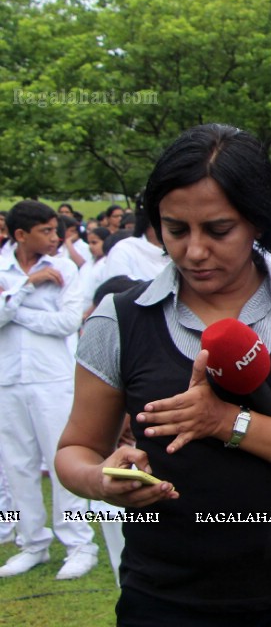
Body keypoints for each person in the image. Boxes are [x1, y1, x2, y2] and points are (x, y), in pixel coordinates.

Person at [56, 124, 271, 625]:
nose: (194, 251)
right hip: (165, 599)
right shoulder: (119, 319)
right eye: (175, 230)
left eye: (218, 230)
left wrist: (226, 421)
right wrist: (103, 479)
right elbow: (73, 451)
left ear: (259, 222)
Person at [0, 201, 99, 580]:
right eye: (46, 231)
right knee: (18, 464)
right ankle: (32, 544)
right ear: (21, 235)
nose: (56, 238)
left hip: (52, 378)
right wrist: (27, 285)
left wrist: (11, 302)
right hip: (8, 378)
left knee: (63, 462)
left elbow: (67, 322)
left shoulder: (64, 267)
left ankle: (79, 544)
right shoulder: (5, 267)